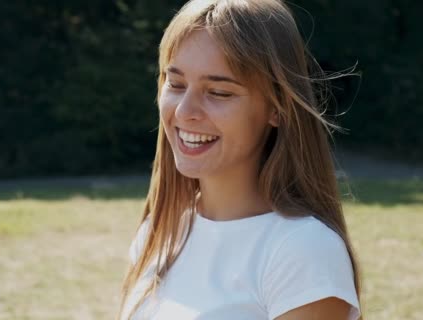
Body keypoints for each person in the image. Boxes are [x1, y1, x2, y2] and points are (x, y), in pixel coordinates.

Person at [117, 0, 362, 319]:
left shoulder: (304, 252)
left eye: (219, 92)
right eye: (175, 84)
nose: (184, 112)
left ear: (277, 108)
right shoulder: (158, 232)